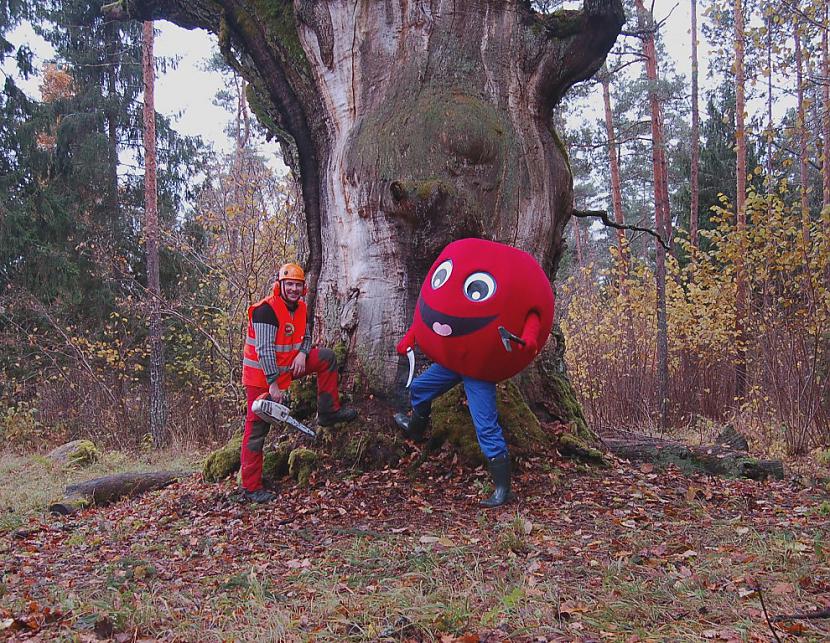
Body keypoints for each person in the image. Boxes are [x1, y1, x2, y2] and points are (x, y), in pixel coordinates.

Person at [393, 238, 554, 508]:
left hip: (480, 370)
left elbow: (533, 317)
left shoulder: (520, 274)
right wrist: (411, 337)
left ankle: (503, 487)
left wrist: (529, 340)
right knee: (420, 388)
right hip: (453, 360)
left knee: (485, 426)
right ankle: (416, 426)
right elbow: (430, 314)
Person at [240, 262, 357, 502]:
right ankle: (251, 487)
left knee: (326, 357)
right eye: (289, 284)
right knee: (256, 430)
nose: (293, 289)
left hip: (289, 368)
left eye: (297, 285)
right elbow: (264, 350)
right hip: (262, 378)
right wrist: (273, 385)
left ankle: (328, 411)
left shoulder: (301, 307)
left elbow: (306, 335)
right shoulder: (265, 311)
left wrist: (303, 353)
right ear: (280, 284)